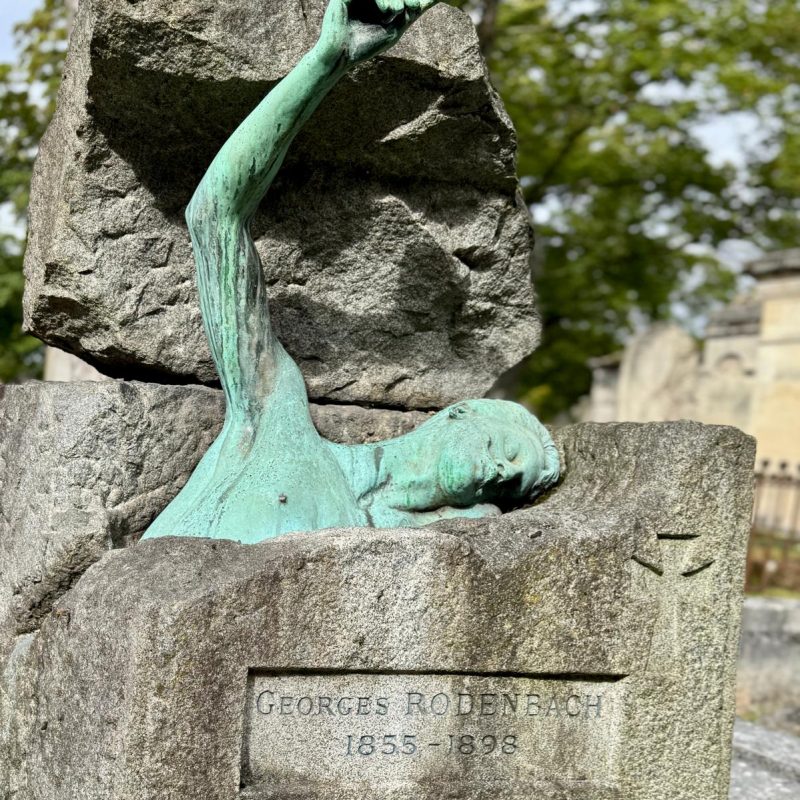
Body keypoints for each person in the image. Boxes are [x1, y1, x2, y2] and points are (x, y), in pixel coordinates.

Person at [142, 0, 560, 545]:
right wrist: (327, 62)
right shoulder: (276, 417)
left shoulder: (400, 544)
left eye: (509, 486)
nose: (501, 474)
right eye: (507, 451)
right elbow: (214, 217)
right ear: (459, 415)